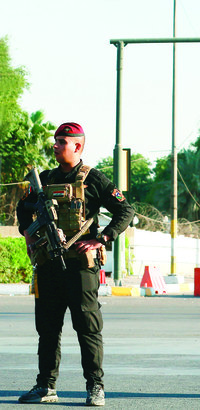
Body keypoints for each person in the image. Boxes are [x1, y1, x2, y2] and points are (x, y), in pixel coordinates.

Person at [16, 122, 135, 406]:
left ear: (77, 146)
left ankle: (95, 386)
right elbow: (23, 207)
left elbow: (125, 210)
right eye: (55, 141)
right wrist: (28, 232)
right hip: (48, 265)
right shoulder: (42, 179)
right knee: (47, 329)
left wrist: (103, 238)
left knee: (87, 327)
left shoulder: (94, 179)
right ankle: (45, 386)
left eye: (61, 142)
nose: (55, 146)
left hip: (81, 268)